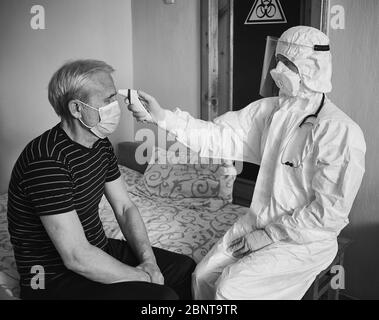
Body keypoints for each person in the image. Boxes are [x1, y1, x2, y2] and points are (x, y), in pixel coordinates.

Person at [127, 26, 366, 299]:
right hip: (258, 222)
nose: (278, 69)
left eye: (287, 62)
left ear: (312, 66)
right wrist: (162, 117)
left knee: (231, 289)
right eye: (277, 60)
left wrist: (269, 235)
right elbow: (217, 135)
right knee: (202, 277)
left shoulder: (339, 130)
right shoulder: (271, 111)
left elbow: (328, 214)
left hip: (302, 240)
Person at [7, 59, 196, 300]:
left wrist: (149, 262)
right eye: (107, 100)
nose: (116, 105)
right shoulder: (45, 161)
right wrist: (145, 277)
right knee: (162, 297)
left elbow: (125, 207)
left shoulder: (100, 144)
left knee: (184, 269)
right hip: (53, 278)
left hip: (97, 250)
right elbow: (76, 256)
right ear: (76, 108)